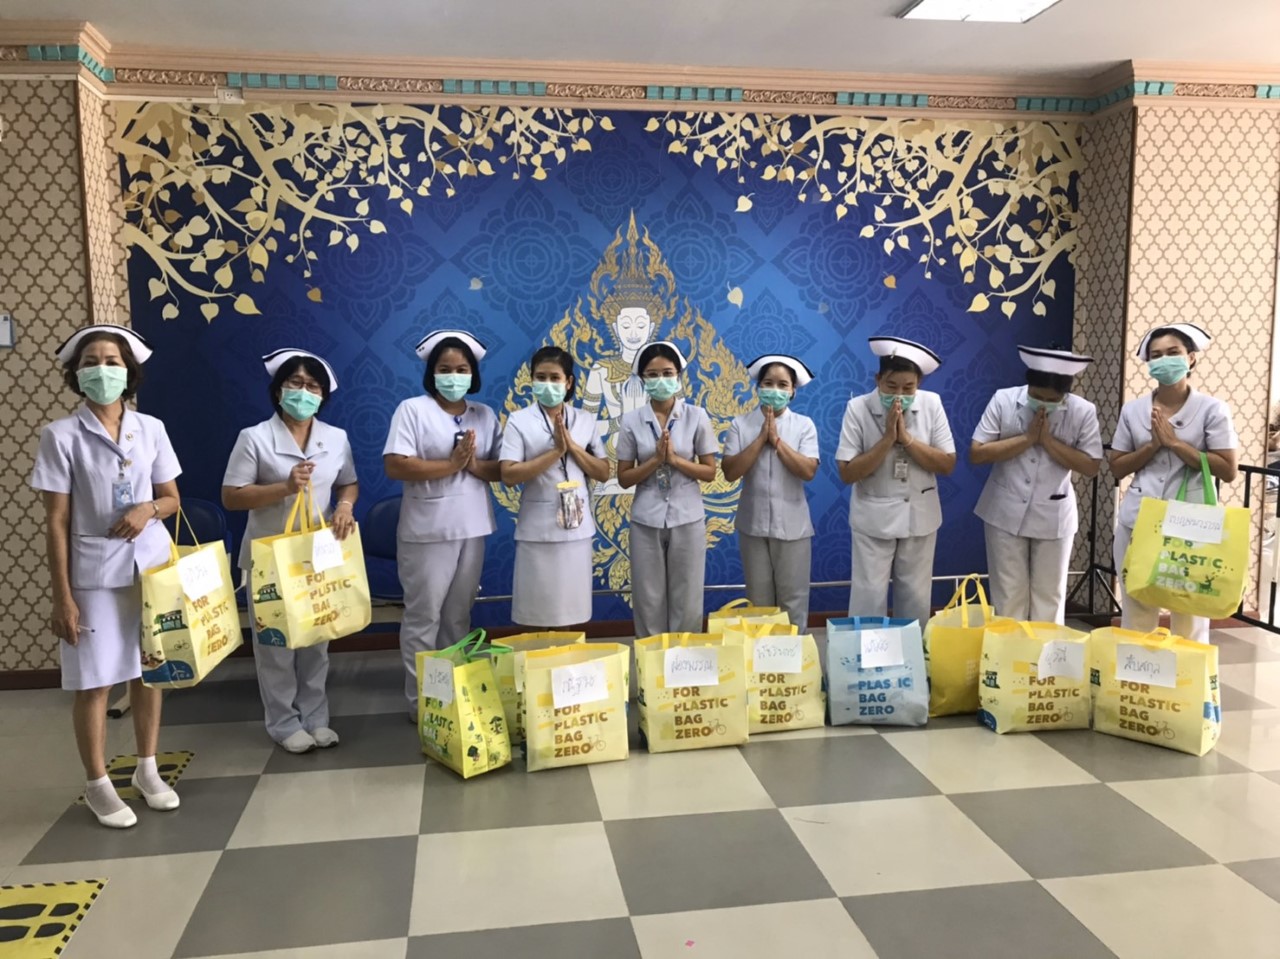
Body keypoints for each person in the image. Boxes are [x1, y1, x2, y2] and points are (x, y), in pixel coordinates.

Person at [31, 324, 182, 828]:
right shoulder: (61, 436)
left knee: (148, 671)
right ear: (76, 374)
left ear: (128, 371)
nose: (102, 370)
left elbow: (171, 498)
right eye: (91, 362)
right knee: (94, 681)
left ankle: (147, 768)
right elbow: (56, 520)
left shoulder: (152, 428)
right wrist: (63, 597)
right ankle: (98, 784)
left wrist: (147, 509)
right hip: (93, 574)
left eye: (112, 361)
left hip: (149, 568)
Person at [222, 349, 358, 753]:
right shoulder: (254, 438)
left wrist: (345, 506)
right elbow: (232, 496)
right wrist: (283, 487)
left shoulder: (335, 438)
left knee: (317, 640)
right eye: (295, 383)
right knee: (275, 645)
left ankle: (316, 718)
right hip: (271, 559)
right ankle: (283, 722)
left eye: (312, 386)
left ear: (323, 395)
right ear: (278, 390)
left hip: (319, 555)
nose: (303, 392)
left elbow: (348, 483)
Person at [384, 330, 501, 717]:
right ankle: (425, 702)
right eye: (445, 369)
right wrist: (450, 465)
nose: (454, 376)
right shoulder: (413, 410)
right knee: (424, 617)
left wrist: (471, 464)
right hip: (428, 530)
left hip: (473, 526)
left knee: (457, 617)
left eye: (462, 369)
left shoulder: (484, 415)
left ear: (473, 374)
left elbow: (500, 468)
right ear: (432, 373)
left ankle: (454, 695)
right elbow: (395, 464)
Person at [1109, 323, 1239, 643]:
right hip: (1139, 520)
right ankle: (1138, 675)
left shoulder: (1212, 409)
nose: (1164, 360)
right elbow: (1117, 466)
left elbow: (1228, 469)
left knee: (1189, 611)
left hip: (1191, 524)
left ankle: (1187, 674)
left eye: (1173, 352)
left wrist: (1176, 444)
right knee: (1137, 609)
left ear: (1190, 358)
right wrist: (1152, 446)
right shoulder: (1134, 410)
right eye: (1156, 355)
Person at [970, 347, 1103, 623]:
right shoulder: (1004, 399)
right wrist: (1028, 439)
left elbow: (1090, 466)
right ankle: (1007, 649)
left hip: (1054, 514)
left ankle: (1045, 651)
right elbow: (978, 453)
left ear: (1065, 394)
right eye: (1037, 397)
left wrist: (1048, 442)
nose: (1043, 405)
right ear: (1028, 385)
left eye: (1052, 400)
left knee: (1049, 596)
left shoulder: (1083, 411)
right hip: (1003, 510)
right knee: (1008, 595)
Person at [836, 336, 956, 626]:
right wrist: (888, 439)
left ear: (918, 384)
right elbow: (847, 472)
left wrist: (908, 441)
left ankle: (912, 650)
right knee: (868, 594)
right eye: (891, 387)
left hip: (920, 515)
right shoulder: (857, 408)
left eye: (908, 388)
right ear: (878, 380)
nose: (899, 395)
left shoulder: (932, 404)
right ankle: (865, 651)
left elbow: (947, 463)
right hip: (873, 518)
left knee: (916, 595)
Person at [500, 346, 610, 627]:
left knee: (571, 610)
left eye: (554, 378)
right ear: (532, 380)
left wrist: (572, 447)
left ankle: (569, 655)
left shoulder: (584, 420)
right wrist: (555, 452)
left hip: (577, 527)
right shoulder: (519, 421)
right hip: (538, 530)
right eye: (541, 377)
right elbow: (509, 474)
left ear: (568, 382)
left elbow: (602, 471)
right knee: (537, 609)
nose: (547, 384)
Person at [617, 341, 718, 637]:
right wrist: (655, 461)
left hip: (688, 516)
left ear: (678, 376)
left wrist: (674, 460)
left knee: (687, 594)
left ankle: (684, 658)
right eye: (652, 374)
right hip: (645, 518)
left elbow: (710, 471)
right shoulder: (631, 420)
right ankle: (651, 657)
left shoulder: (696, 416)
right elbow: (624, 477)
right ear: (642, 380)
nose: (660, 380)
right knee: (648, 596)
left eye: (667, 373)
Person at [722, 354, 820, 629]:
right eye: (768, 383)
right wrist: (760, 439)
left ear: (792, 391)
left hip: (793, 527)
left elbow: (808, 471)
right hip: (752, 526)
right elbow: (730, 472)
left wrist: (776, 441)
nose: (774, 390)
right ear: (758, 387)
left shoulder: (803, 425)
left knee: (793, 601)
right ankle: (762, 653)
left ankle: (794, 653)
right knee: (759, 602)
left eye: (782, 385)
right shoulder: (740, 424)